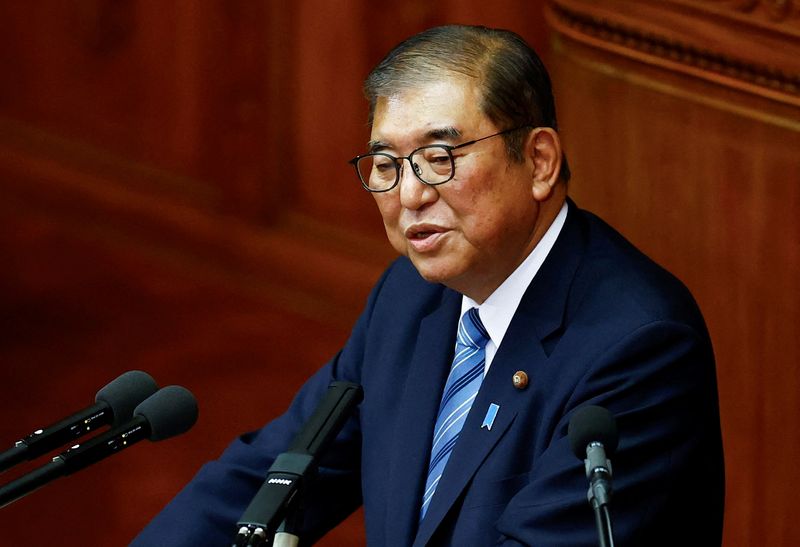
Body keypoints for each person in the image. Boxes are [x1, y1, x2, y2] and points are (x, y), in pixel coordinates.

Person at [132, 25, 724, 546]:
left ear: (539, 161)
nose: (409, 195)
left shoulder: (639, 346)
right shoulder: (411, 298)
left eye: (440, 157)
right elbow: (276, 474)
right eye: (386, 165)